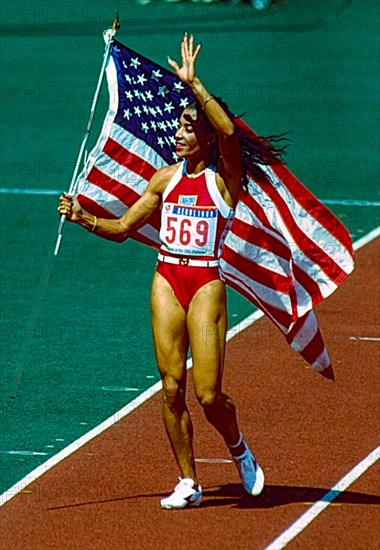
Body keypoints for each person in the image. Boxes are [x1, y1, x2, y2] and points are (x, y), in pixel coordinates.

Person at [58, 35, 273, 509]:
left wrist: (197, 87)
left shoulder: (223, 180)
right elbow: (122, 227)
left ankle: (238, 448)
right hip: (167, 279)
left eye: (188, 128)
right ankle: (188, 482)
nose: (178, 133)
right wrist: (82, 217)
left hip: (205, 283)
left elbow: (232, 135)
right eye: (178, 126)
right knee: (172, 387)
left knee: (209, 393)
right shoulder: (164, 179)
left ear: (207, 138)